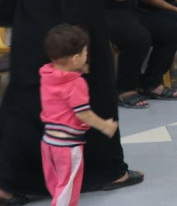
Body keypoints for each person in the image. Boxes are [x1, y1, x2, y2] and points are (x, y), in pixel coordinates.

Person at [0, 0, 140, 204]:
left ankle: (8, 182)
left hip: (29, 36)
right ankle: (109, 171)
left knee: (26, 106)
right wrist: (82, 50)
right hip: (66, 40)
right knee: (92, 98)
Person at [40, 24, 119, 206]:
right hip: (68, 146)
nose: (86, 57)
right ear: (76, 58)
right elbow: (83, 113)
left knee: (57, 184)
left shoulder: (48, 74)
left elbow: (61, 91)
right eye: (85, 54)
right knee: (68, 187)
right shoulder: (76, 84)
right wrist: (105, 126)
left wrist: (77, 69)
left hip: (48, 141)